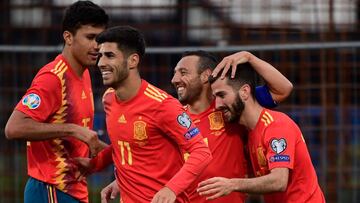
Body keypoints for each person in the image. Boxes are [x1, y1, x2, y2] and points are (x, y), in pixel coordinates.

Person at [4, 1, 109, 202]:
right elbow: (14, 128)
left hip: (73, 191)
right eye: (90, 37)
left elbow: (85, 137)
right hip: (51, 190)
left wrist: (123, 155)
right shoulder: (53, 77)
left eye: (101, 39)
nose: (97, 46)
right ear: (68, 37)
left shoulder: (84, 74)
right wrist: (72, 129)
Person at [95, 25, 212, 203]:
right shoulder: (109, 99)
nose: (101, 63)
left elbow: (201, 152)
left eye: (109, 55)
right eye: (100, 56)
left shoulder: (163, 105)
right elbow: (131, 148)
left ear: (133, 61)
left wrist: (171, 189)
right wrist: (119, 181)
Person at [169, 50, 293, 203]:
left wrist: (249, 57)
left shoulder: (231, 106)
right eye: (175, 73)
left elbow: (283, 89)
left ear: (205, 75)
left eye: (183, 72)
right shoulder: (172, 117)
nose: (175, 79)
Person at [197, 62, 325, 202]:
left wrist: (232, 184)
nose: (217, 105)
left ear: (245, 92)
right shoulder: (249, 131)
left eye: (222, 95)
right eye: (215, 97)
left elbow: (279, 181)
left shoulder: (276, 125)